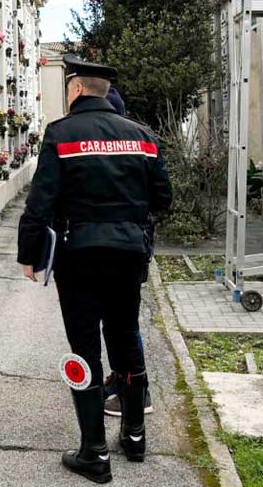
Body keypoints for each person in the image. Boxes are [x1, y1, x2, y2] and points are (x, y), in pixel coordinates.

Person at [18, 55, 172, 483]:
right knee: (125, 336)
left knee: (84, 346)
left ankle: (94, 452)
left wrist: (29, 254)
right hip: (128, 258)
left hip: (79, 259)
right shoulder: (144, 137)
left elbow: (41, 201)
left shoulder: (62, 135)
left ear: (77, 90)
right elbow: (163, 199)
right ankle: (136, 436)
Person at [100, 85, 153, 420]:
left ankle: (136, 392)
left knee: (123, 323)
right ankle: (121, 379)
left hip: (124, 246)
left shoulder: (114, 147)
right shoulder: (139, 141)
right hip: (137, 243)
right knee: (119, 321)